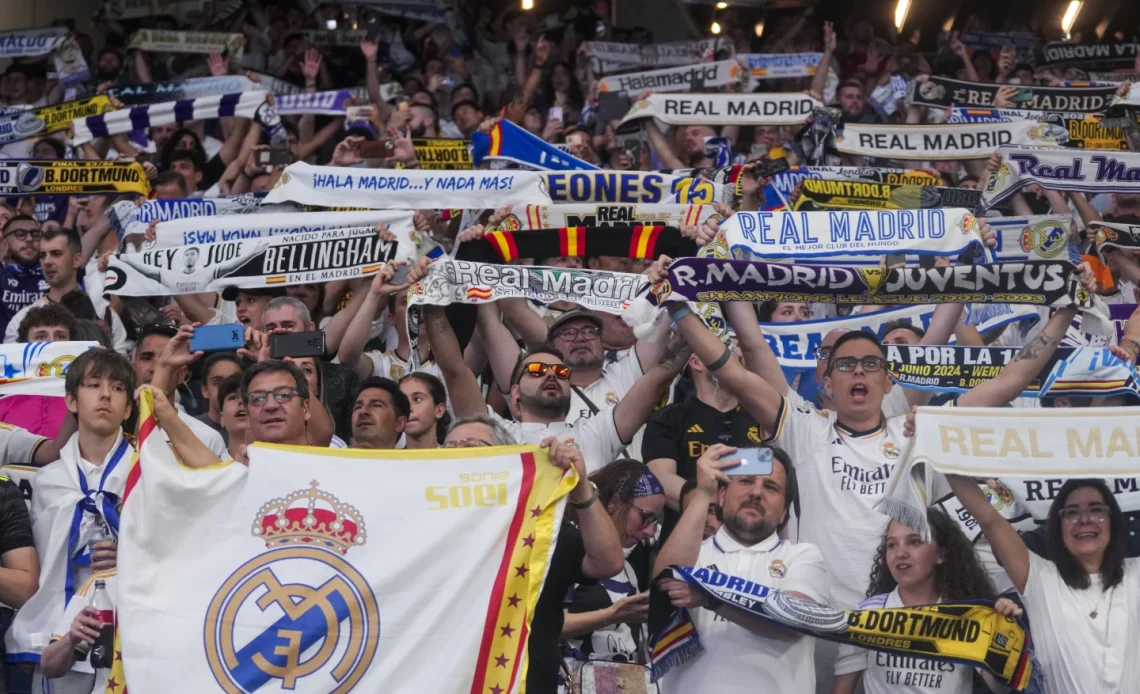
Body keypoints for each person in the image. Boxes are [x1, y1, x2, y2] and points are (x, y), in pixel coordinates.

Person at [6, 350, 134, 690]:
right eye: (94, 385)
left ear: (129, 407)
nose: (105, 394)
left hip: (132, 633)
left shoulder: (146, 474)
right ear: (72, 401)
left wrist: (133, 554)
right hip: (60, 635)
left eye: (118, 388)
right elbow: (43, 565)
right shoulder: (48, 480)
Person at [654, 444, 829, 693]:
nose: (756, 492)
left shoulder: (803, 556)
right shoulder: (692, 554)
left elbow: (792, 621)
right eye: (746, 481)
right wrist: (703, 493)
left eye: (771, 487)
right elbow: (664, 581)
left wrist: (709, 598)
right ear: (722, 497)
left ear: (783, 514)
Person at [947, 476, 1140, 693]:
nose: (1084, 519)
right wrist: (937, 448)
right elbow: (989, 520)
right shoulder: (1039, 578)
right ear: (1058, 528)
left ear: (1113, 521)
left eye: (1096, 510)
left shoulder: (1135, 574)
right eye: (1071, 513)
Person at [832, 509, 1018, 694]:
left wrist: (1001, 632)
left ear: (941, 554)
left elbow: (1000, 689)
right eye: (891, 545)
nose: (900, 553)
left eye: (914, 542)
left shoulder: (970, 616)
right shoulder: (864, 616)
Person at [525, 437, 625, 692]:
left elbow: (608, 563)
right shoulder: (419, 534)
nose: (465, 451)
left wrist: (580, 487)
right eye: (453, 447)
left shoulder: (543, 529)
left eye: (478, 445)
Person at [562, 461, 662, 665]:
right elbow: (538, 626)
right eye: (645, 518)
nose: (650, 532)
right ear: (613, 503)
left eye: (655, 521)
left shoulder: (629, 571)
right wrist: (610, 616)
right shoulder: (566, 552)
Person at [132, 323, 227, 458]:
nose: (154, 368)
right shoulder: (110, 422)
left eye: (166, 360)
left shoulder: (207, 437)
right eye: (147, 358)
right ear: (133, 364)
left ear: (182, 374)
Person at [241, 360, 312, 446]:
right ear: (247, 415)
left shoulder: (329, 459)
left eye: (283, 395)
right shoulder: (238, 460)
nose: (270, 406)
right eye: (259, 398)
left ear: (305, 408)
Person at [1, 216, 46, 335]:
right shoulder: (2, 274)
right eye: (20, 233)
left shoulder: (53, 269)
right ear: (4, 243)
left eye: (36, 234)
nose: (30, 239)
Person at [349, 377, 409, 450]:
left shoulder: (419, 461)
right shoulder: (333, 460)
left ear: (399, 423)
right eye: (358, 407)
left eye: (376, 405)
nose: (362, 411)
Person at [195, 352, 242, 443]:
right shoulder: (190, 428)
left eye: (234, 382)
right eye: (218, 382)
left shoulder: (256, 428)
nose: (225, 388)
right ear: (205, 390)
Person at [398, 372, 449, 449]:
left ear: (439, 410)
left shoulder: (453, 459)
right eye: (402, 401)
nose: (408, 408)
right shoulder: (388, 460)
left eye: (417, 399)